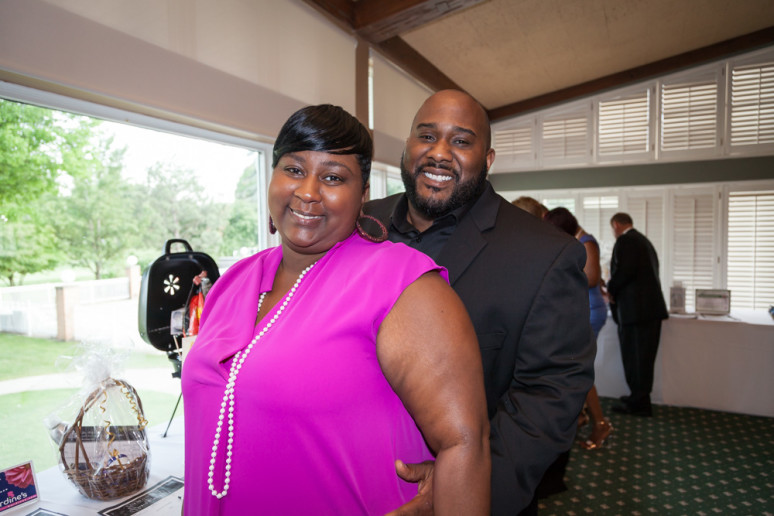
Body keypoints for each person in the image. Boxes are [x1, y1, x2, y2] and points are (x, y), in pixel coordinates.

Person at [181, 104, 490, 515]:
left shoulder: (401, 283)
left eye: (332, 177)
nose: (308, 191)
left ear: (363, 195)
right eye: (294, 169)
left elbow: (464, 444)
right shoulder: (233, 283)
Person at [365, 90, 595, 515]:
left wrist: (460, 486)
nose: (439, 152)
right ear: (407, 147)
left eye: (460, 141)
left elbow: (550, 395)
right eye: (426, 136)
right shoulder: (359, 224)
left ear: (487, 160)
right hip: (349, 483)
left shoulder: (545, 254)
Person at [544, 207, 613, 450]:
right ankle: (581, 416)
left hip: (589, 311)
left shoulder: (586, 242)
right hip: (582, 309)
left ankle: (600, 423)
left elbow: (592, 278)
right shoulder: (578, 242)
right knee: (576, 366)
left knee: (578, 369)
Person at [607, 212, 668, 417]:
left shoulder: (626, 241)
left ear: (616, 225)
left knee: (636, 358)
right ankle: (638, 397)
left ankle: (640, 403)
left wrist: (610, 289)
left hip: (636, 312)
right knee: (643, 358)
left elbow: (624, 272)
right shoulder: (643, 241)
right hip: (648, 310)